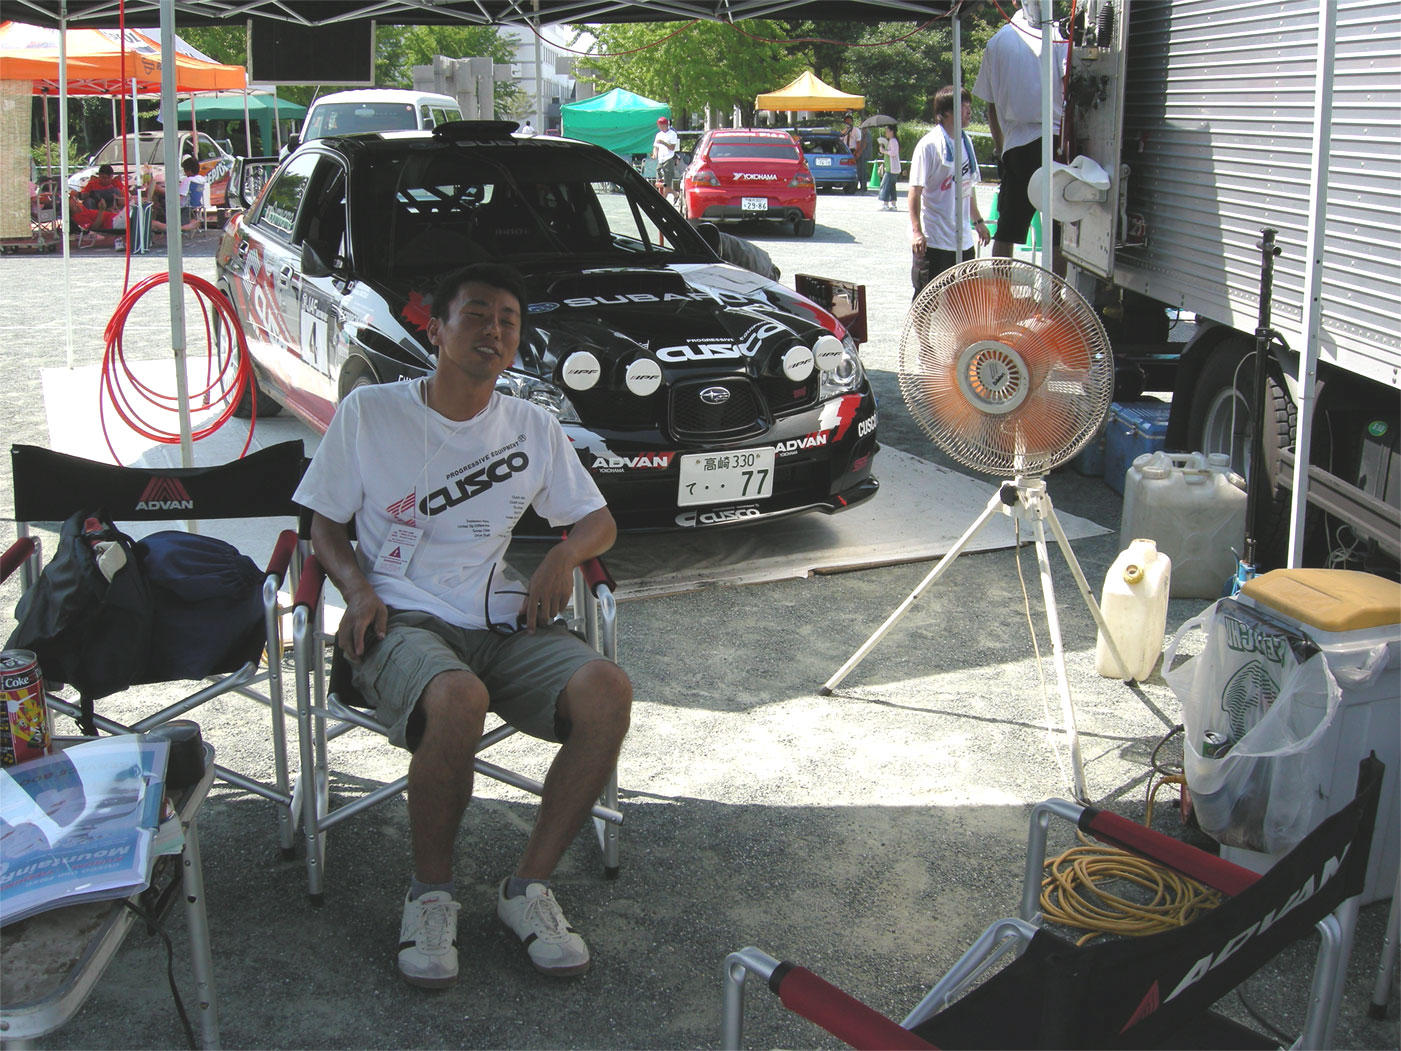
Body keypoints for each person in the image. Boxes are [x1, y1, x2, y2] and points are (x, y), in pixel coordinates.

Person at [293, 261, 632, 989]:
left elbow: (598, 521)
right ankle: (430, 895)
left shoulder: (531, 425)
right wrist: (356, 588)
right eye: (475, 313)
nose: (494, 329)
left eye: (508, 320)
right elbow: (321, 524)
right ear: (436, 330)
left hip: (499, 616)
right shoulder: (371, 411)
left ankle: (527, 888)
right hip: (398, 613)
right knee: (457, 698)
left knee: (606, 689)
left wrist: (563, 553)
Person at [972, 0, 1069, 270]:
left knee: (1007, 229)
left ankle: (1001, 291)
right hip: (1055, 141)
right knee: (1058, 228)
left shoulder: (997, 42)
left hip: (1016, 145)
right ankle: (1056, 293)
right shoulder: (1059, 36)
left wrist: (1000, 149)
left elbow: (991, 106)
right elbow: (1069, 88)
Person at [907, 86, 991, 295]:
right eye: (963, 106)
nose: (969, 111)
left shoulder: (966, 142)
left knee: (965, 301)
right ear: (945, 112)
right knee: (927, 300)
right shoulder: (929, 145)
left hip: (963, 240)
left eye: (969, 105)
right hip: (936, 239)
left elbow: (967, 186)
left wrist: (978, 221)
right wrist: (917, 232)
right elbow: (915, 191)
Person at [651, 116, 680, 197]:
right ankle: (675, 194)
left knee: (667, 183)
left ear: (665, 125)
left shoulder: (672, 134)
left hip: (669, 159)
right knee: (658, 182)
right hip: (660, 160)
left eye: (660, 125)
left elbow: (672, 148)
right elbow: (656, 147)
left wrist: (663, 142)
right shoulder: (658, 135)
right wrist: (655, 154)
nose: (659, 127)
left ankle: (664, 199)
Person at [876, 125, 901, 211]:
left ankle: (885, 204)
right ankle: (893, 205)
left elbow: (893, 153)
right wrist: (882, 150)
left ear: (892, 131)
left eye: (887, 131)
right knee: (891, 187)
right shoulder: (891, 141)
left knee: (885, 185)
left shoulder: (893, 141)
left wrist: (884, 151)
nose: (886, 133)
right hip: (891, 167)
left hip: (891, 168)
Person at [841, 115, 867, 190]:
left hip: (853, 150)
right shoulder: (844, 131)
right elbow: (841, 139)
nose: (848, 123)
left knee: (856, 169)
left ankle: (858, 185)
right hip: (845, 150)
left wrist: (856, 153)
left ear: (852, 122)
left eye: (849, 122)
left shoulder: (856, 130)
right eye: (846, 122)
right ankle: (846, 185)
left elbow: (858, 142)